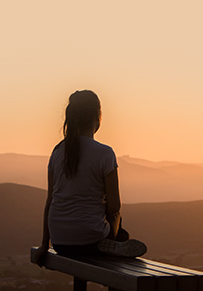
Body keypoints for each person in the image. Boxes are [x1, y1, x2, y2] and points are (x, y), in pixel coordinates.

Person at [34, 90, 147, 266]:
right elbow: (114, 206)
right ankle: (116, 242)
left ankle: (115, 242)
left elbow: (50, 202)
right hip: (91, 241)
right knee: (119, 224)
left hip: (60, 242)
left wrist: (44, 245)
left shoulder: (57, 152)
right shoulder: (105, 153)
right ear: (97, 117)